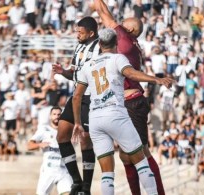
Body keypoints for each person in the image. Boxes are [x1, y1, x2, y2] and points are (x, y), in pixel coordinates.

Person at [72, 28, 172, 195]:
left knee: (107, 174)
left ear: (99, 44)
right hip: (115, 114)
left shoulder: (88, 65)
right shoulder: (118, 58)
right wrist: (156, 79)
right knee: (141, 162)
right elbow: (131, 74)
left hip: (96, 118)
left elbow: (76, 96)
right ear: (116, 43)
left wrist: (77, 122)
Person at [93, 0, 168, 194]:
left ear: (131, 29)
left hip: (132, 103)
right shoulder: (131, 45)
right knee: (126, 157)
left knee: (141, 153)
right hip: (124, 104)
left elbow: (103, 12)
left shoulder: (124, 37)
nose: (118, 25)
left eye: (123, 23)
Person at [52, 16, 100, 194]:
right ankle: (77, 181)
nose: (77, 35)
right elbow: (73, 73)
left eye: (80, 32)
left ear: (91, 33)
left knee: (85, 141)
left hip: (91, 98)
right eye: (76, 31)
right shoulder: (79, 46)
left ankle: (86, 187)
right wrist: (62, 72)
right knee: (62, 135)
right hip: (76, 97)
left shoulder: (99, 48)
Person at [28, 106, 72, 195]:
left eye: (59, 114)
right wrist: (39, 144)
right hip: (48, 170)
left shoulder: (67, 130)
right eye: (54, 114)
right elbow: (29, 145)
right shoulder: (44, 130)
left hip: (63, 169)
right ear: (50, 116)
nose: (56, 116)